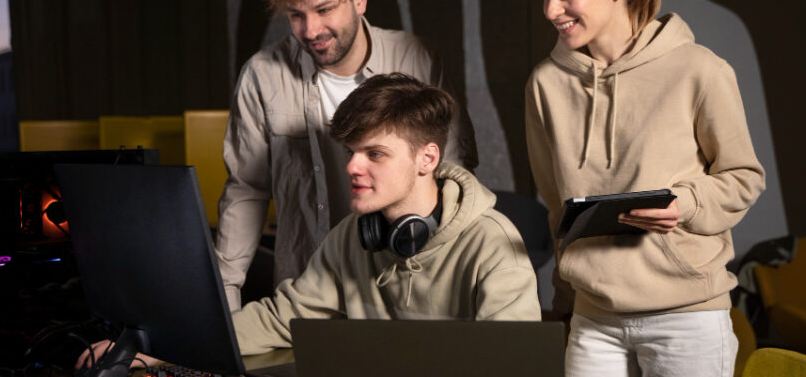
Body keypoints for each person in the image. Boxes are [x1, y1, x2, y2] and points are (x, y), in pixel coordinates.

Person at [76, 73, 538, 366]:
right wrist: (155, 348)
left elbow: (513, 364)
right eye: (351, 152)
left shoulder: (493, 246)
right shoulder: (352, 237)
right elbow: (282, 318)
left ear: (427, 158)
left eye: (374, 153)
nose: (353, 167)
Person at [526, 0, 766, 376]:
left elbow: (743, 176)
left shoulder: (698, 68)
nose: (551, 11)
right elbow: (558, 208)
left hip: (686, 317)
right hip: (593, 317)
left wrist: (684, 203)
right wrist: (565, 301)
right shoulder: (546, 84)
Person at [218, 0, 479, 311]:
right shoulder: (262, 75)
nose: (311, 30)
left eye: (324, 9)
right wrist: (223, 302)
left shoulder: (418, 57)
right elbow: (246, 191)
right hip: (304, 290)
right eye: (296, 15)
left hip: (404, 290)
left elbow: (455, 172)